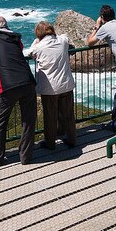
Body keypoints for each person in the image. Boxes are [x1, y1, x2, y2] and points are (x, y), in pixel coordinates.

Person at [0, 16, 37, 166]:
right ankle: (25, 157)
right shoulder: (15, 38)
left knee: (1, 123)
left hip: (7, 86)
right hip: (27, 81)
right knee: (28, 121)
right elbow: (18, 50)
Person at [29, 21, 77, 150]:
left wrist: (36, 42)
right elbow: (67, 40)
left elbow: (30, 53)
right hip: (66, 84)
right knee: (68, 115)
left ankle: (50, 143)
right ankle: (72, 139)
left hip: (49, 88)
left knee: (50, 117)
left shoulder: (39, 47)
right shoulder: (63, 41)